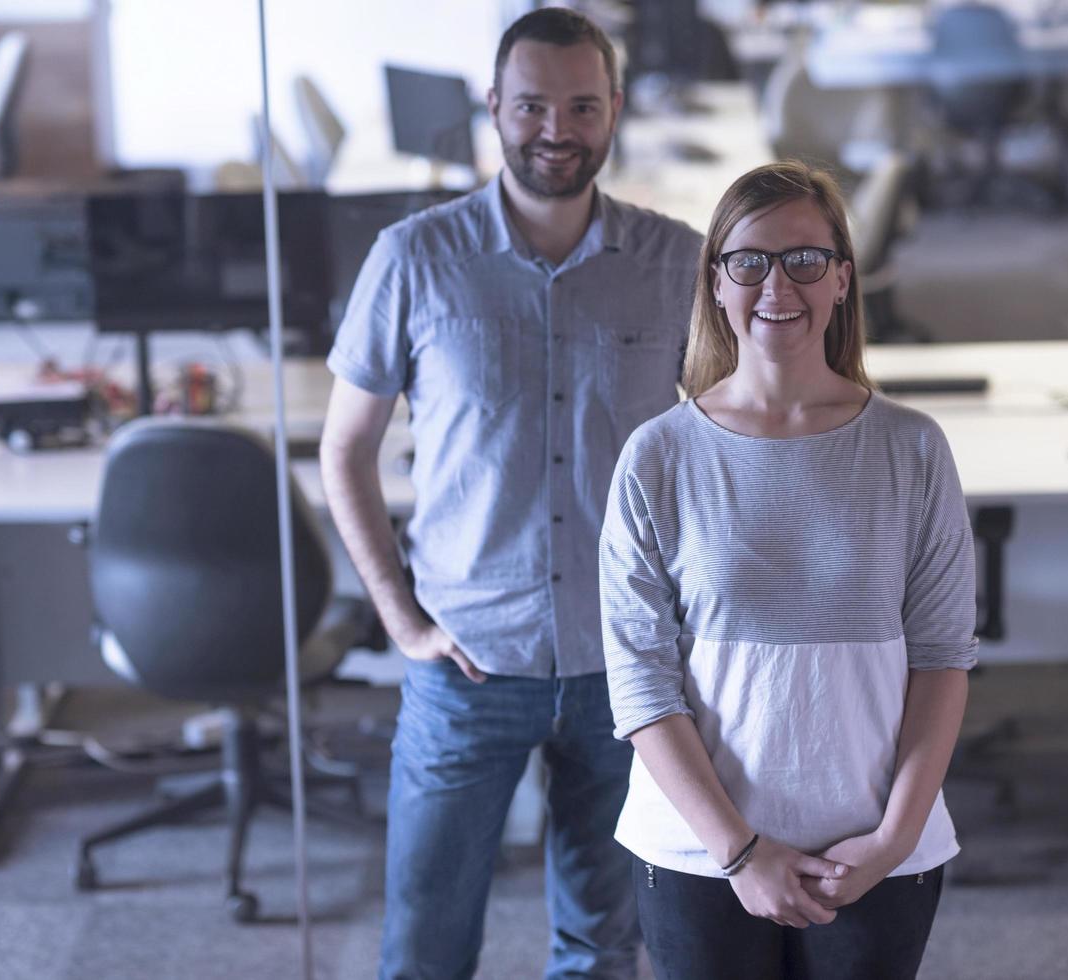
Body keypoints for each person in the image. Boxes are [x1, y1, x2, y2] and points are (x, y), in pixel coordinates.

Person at [319, 9, 702, 979]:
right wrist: (401, 620)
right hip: (467, 662)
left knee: (603, 944)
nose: (555, 128)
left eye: (581, 105)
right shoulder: (413, 258)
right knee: (425, 943)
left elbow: (728, 442)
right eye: (531, 104)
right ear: (494, 107)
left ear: (614, 109)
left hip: (628, 668)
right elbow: (345, 449)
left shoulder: (675, 264)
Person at [598, 160, 978, 980]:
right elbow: (640, 683)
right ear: (717, 282)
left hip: (874, 847)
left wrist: (892, 841)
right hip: (701, 850)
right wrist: (740, 851)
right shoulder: (658, 456)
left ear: (843, 277)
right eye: (751, 261)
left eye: (805, 259)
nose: (779, 284)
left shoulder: (912, 448)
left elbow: (943, 658)